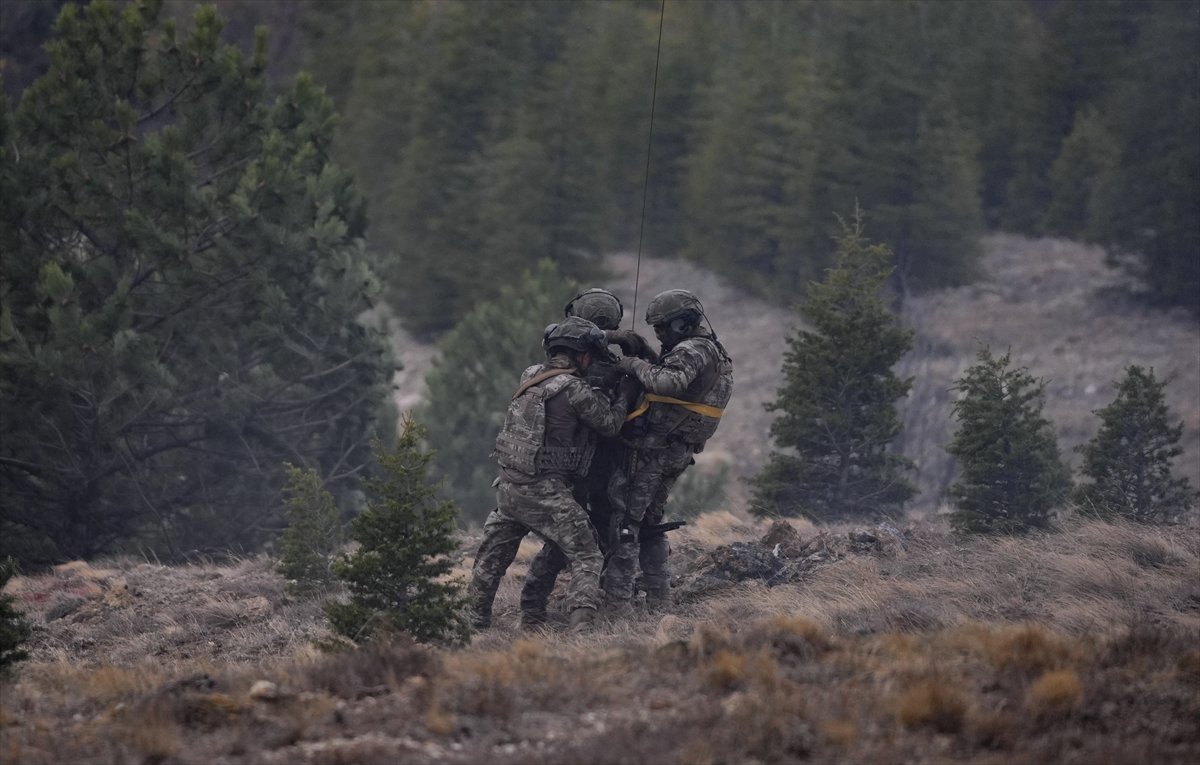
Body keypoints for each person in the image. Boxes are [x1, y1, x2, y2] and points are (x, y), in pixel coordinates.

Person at [468, 316, 638, 632]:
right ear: (584, 356)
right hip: (545, 491)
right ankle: (581, 628)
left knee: (491, 559)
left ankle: (474, 624)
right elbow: (611, 425)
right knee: (587, 555)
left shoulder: (530, 374)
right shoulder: (576, 390)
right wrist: (625, 392)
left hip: (509, 487)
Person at [518, 289, 657, 628]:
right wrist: (633, 347)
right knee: (605, 537)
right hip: (609, 467)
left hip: (570, 468)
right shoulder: (615, 369)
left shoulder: (558, 364)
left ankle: (535, 609)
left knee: (560, 543)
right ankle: (602, 604)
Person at [605, 289, 734, 610]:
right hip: (674, 450)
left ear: (681, 323)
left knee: (626, 525)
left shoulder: (692, 350)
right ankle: (660, 599)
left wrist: (631, 363)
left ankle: (616, 607)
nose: (659, 334)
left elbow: (668, 383)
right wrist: (645, 350)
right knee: (650, 524)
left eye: (662, 328)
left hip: (653, 451)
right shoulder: (712, 350)